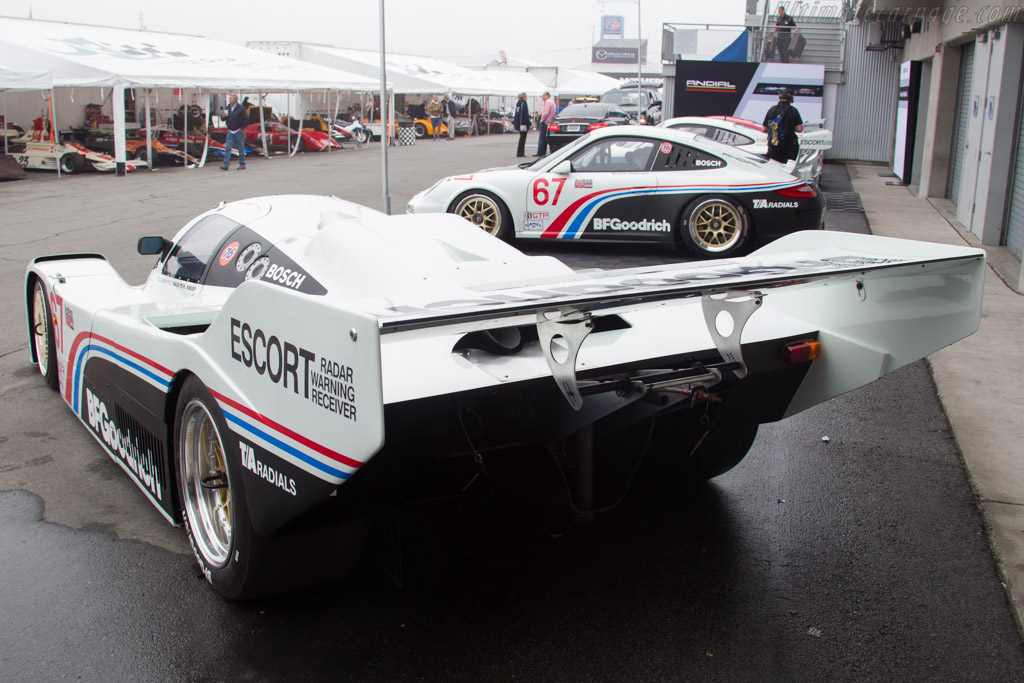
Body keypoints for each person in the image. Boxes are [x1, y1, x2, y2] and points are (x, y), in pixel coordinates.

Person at [762, 89, 804, 163]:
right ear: (791, 100)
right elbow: (800, 129)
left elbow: (764, 129)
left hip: (774, 145)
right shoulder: (793, 111)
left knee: (773, 165)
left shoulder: (772, 109)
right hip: (788, 146)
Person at [220, 93, 248, 171]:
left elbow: (246, 119)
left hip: (238, 130)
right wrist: (223, 116)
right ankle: (226, 164)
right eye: (229, 98)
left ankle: (242, 164)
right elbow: (223, 119)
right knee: (228, 147)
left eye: (231, 98)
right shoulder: (228, 107)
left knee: (240, 148)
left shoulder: (241, 108)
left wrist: (242, 128)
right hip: (230, 130)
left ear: (235, 100)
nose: (230, 100)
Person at [534, 91, 556, 156]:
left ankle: (540, 152)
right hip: (550, 121)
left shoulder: (548, 102)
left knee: (542, 138)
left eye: (543, 95)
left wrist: (542, 119)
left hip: (545, 122)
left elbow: (546, 112)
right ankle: (543, 152)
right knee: (545, 138)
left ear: (547, 95)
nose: (542, 97)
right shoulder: (552, 102)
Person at [513, 93, 531, 157]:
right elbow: (524, 114)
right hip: (523, 124)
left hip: (519, 123)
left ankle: (520, 152)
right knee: (523, 138)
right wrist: (528, 122)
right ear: (524, 97)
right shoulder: (524, 103)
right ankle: (520, 153)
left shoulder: (518, 104)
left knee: (522, 138)